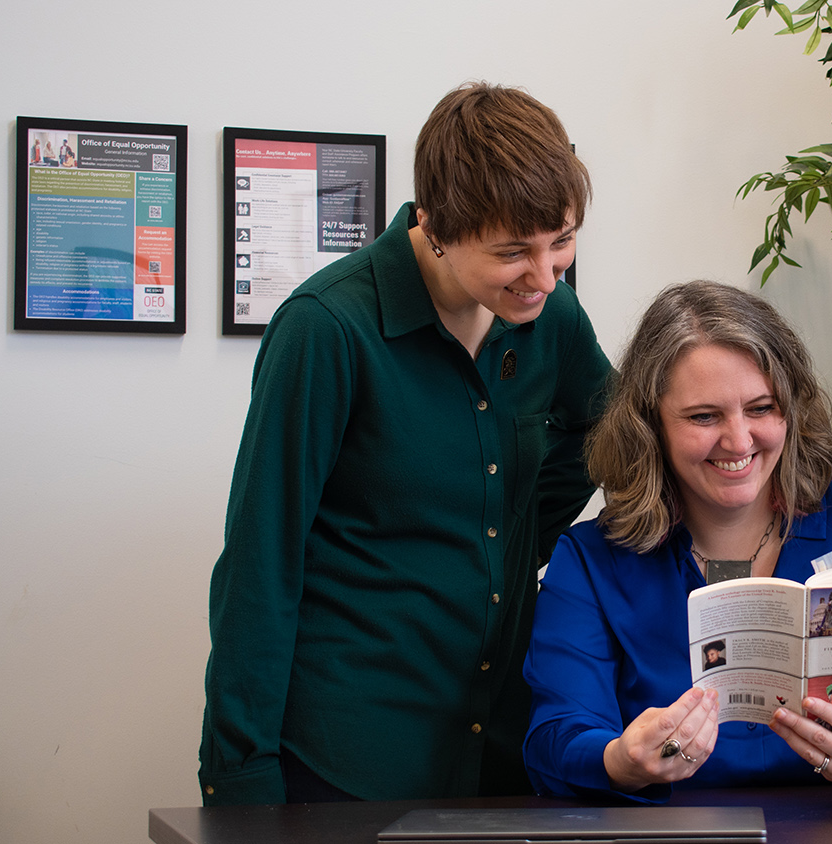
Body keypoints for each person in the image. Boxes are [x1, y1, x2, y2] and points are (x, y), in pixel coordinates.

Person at [199, 82, 613, 806]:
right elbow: (261, 561)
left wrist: (521, 531)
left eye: (563, 243)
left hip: (501, 750)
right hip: (346, 757)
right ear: (437, 224)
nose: (545, 276)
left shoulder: (552, 315)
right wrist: (239, 775)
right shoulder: (326, 330)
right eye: (513, 252)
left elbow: (611, 427)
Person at [523, 281, 832, 801]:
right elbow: (554, 739)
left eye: (761, 408)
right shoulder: (590, 562)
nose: (738, 442)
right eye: (703, 416)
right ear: (650, 426)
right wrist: (621, 761)